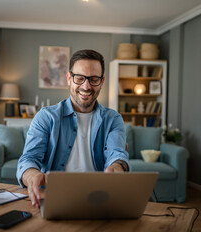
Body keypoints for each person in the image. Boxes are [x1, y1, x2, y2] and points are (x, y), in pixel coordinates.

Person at [16, 49, 130, 207]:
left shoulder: (113, 119)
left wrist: (118, 166)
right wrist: (32, 175)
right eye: (80, 78)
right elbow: (28, 159)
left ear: (102, 81)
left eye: (94, 79)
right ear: (69, 78)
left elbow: (116, 154)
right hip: (55, 198)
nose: (86, 86)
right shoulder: (46, 117)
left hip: (98, 199)